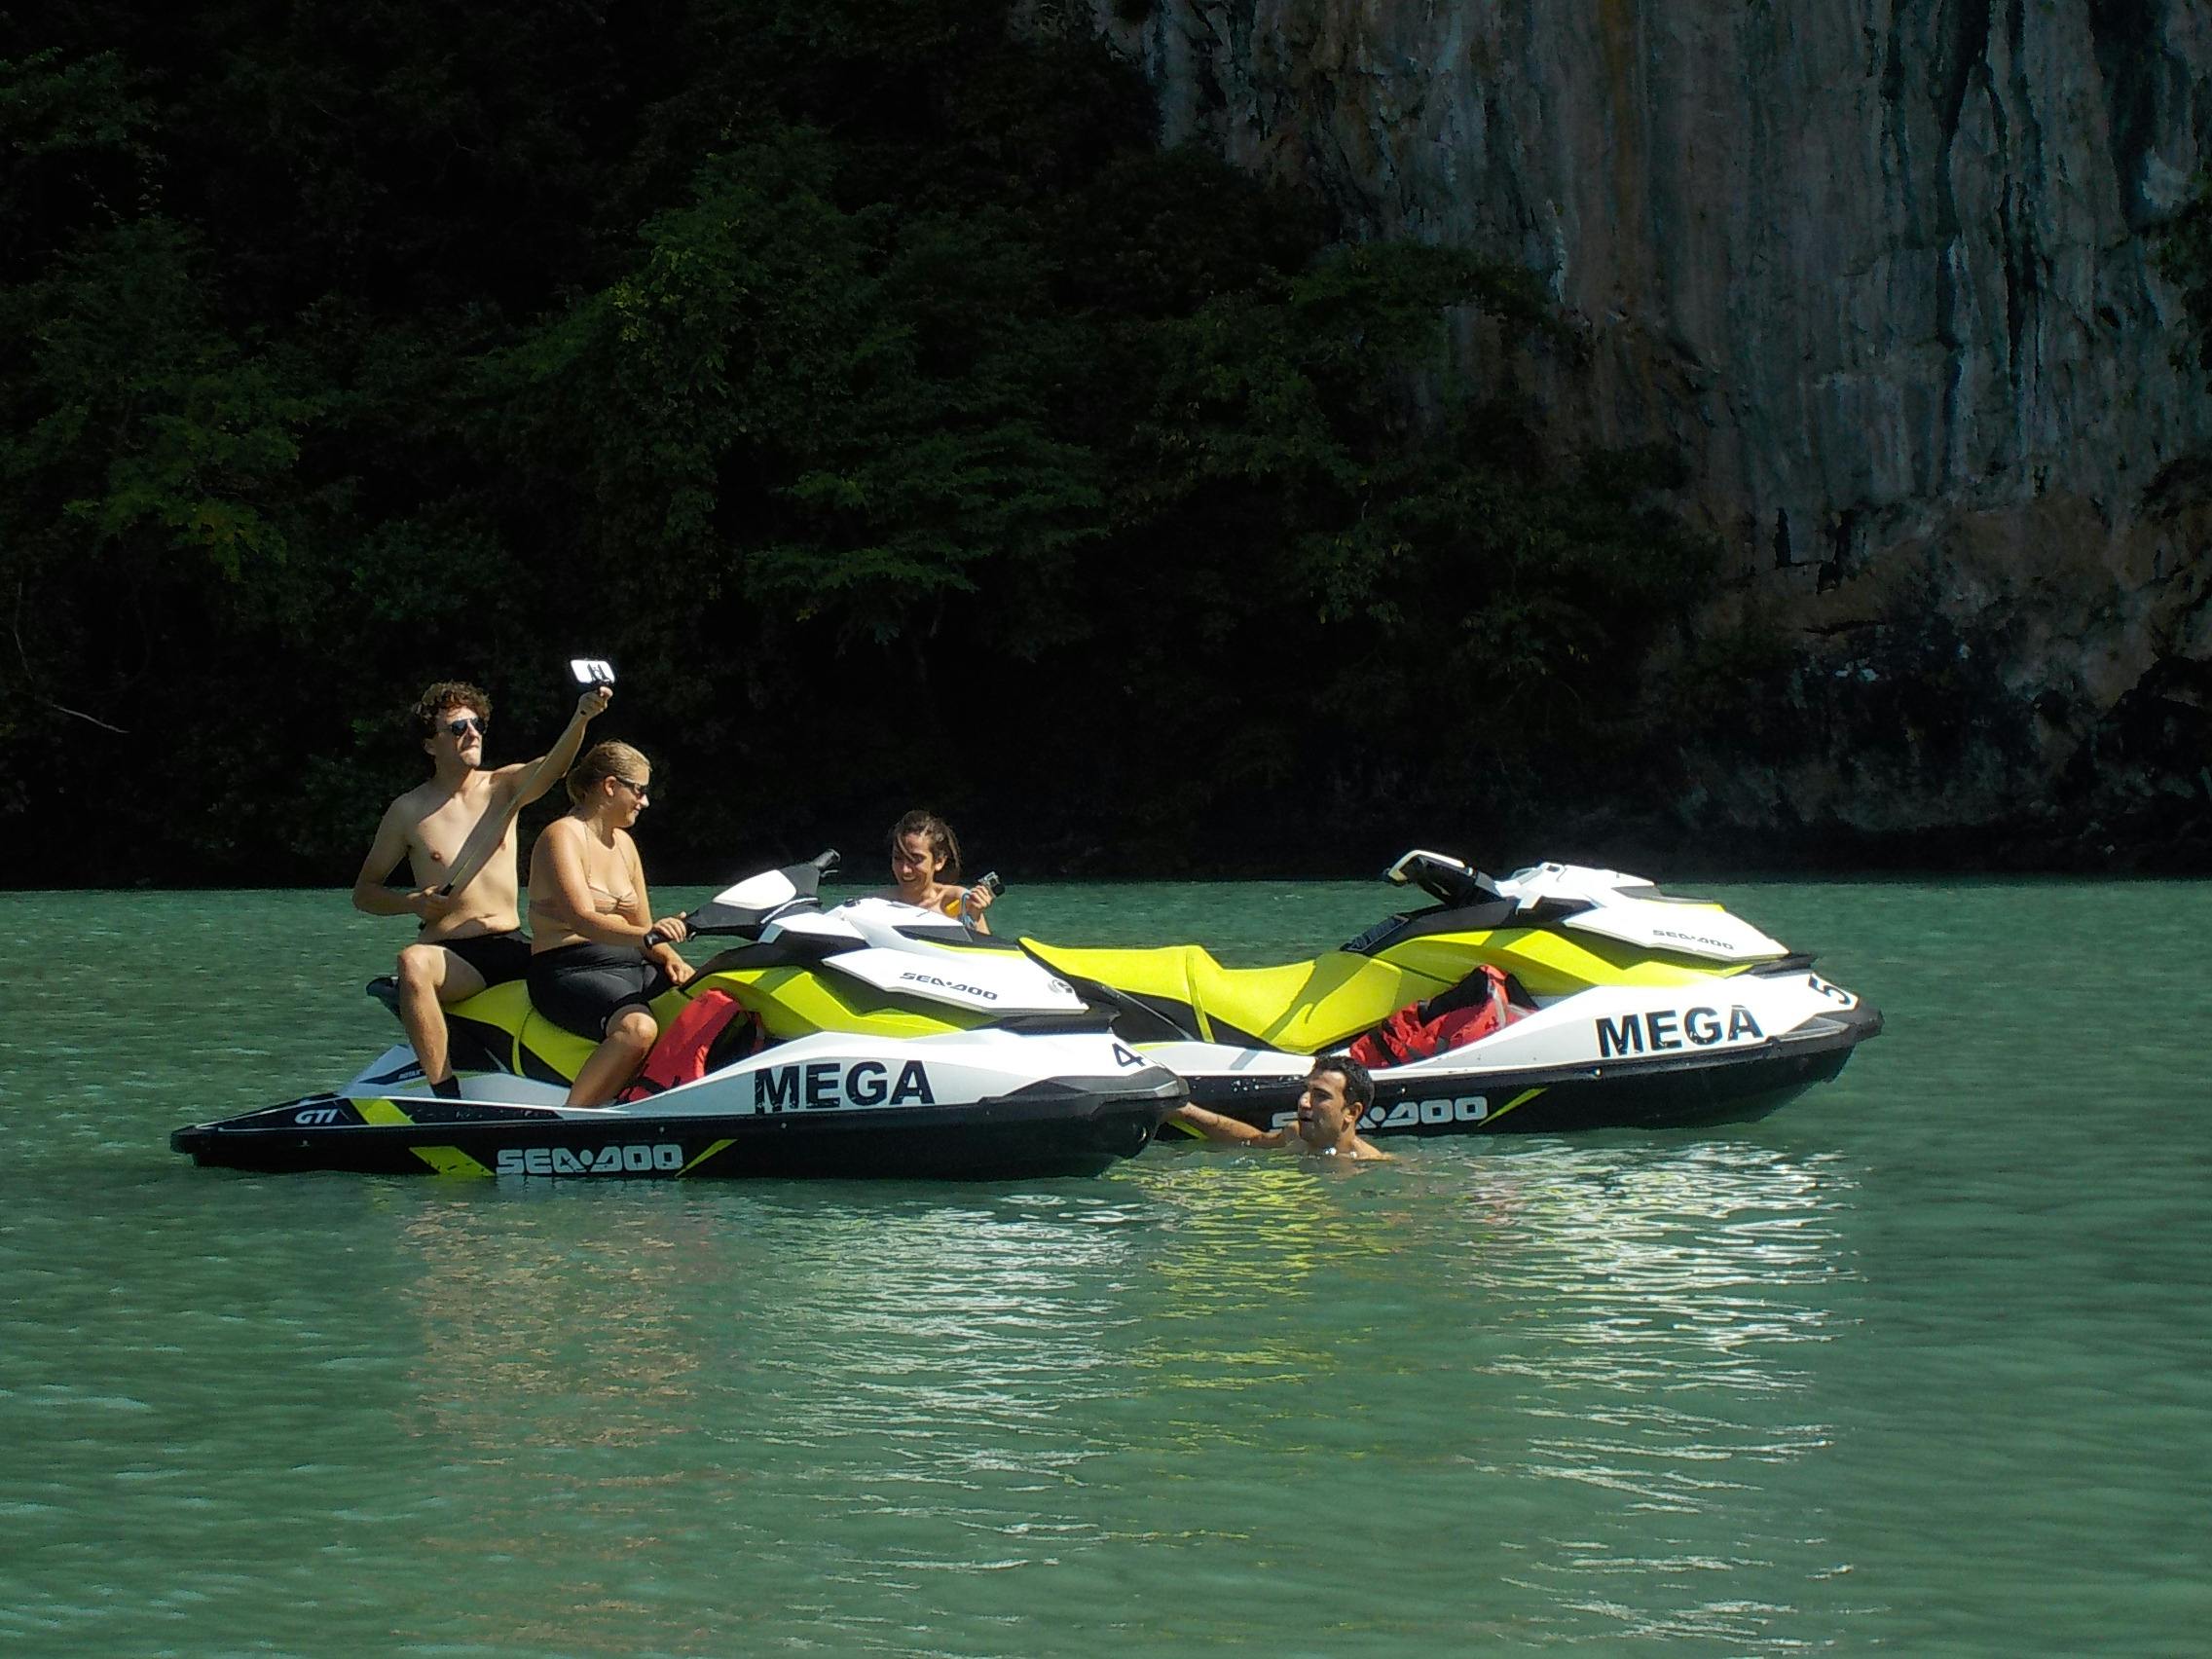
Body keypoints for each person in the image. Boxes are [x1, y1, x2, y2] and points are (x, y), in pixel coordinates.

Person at [351, 679, 610, 1094]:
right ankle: (444, 1093)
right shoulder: (407, 812)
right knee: (411, 962)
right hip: (454, 956)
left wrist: (582, 715)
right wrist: (412, 903)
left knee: (598, 947)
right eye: (457, 727)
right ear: (430, 745)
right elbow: (365, 893)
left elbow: (555, 767)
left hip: (511, 944)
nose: (471, 733)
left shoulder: (503, 787)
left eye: (477, 724)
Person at [526, 741, 694, 1106]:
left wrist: (670, 957)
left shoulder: (626, 845)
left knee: (711, 997)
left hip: (630, 963)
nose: (644, 801)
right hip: (568, 968)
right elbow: (583, 919)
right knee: (638, 1029)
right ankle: (571, 1123)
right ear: (610, 786)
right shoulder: (562, 836)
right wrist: (650, 935)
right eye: (640, 790)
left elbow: (643, 925)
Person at [1171, 1056, 1393, 1161]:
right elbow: (1252, 1139)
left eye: (1320, 1096)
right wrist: (1186, 1111)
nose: (1304, 1102)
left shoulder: (1371, 1164)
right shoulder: (1294, 1136)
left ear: (1351, 1112)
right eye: (1306, 1091)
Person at [876, 809, 995, 933]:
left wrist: (974, 916)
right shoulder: (877, 903)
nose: (905, 870)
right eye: (898, 858)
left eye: (916, 859)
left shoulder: (958, 901)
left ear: (939, 861)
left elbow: (987, 951)